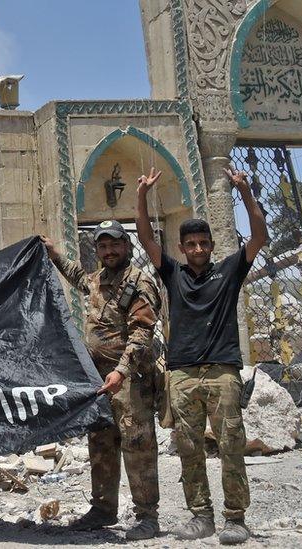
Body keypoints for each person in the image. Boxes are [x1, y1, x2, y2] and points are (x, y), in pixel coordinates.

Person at [135, 166, 267, 545]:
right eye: (190, 244)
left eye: (202, 244)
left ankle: (236, 518)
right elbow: (145, 239)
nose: (196, 250)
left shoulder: (228, 271)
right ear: (182, 248)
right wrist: (142, 196)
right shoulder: (173, 274)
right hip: (182, 374)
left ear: (211, 246)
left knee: (230, 444)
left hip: (223, 372)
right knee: (189, 447)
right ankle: (201, 515)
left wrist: (244, 190)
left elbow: (259, 236)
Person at [41, 221, 162, 540]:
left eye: (115, 245)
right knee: (101, 443)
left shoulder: (139, 281)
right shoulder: (98, 280)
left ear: (128, 246)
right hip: (99, 380)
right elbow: (80, 278)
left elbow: (142, 333)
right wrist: (54, 255)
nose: (109, 251)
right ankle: (103, 509)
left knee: (138, 445)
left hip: (129, 379)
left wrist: (120, 370)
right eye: (103, 246)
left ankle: (148, 516)